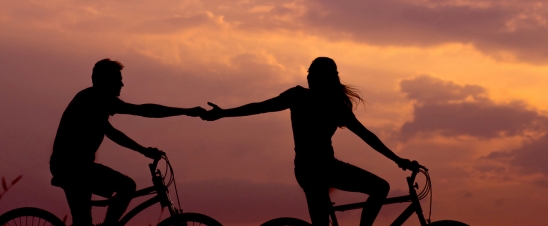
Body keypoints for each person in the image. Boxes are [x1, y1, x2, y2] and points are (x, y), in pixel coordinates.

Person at [202, 57, 418, 226]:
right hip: (320, 169)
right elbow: (259, 107)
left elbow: (367, 136)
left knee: (370, 194)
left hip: (312, 169)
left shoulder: (314, 101)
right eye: (309, 72)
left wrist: (223, 114)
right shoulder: (316, 101)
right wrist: (398, 160)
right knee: (380, 188)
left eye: (312, 73)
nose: (308, 76)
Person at [50, 59, 205, 226]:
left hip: (77, 167)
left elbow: (118, 128)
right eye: (118, 79)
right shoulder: (94, 100)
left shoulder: (95, 100)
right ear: (105, 80)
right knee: (126, 186)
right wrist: (185, 111)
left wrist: (143, 149)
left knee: (84, 221)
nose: (122, 84)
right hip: (72, 168)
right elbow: (140, 113)